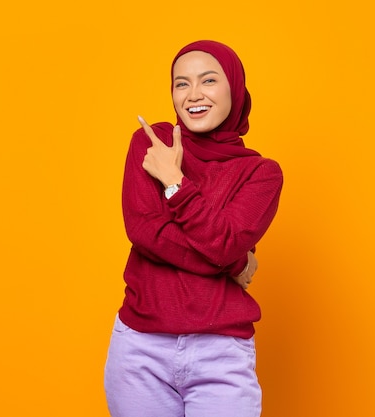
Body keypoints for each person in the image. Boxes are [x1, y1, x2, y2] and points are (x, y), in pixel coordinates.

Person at [104, 40, 283, 417]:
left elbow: (225, 242)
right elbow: (145, 232)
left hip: (220, 352)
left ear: (234, 89)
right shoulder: (151, 143)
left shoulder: (261, 174)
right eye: (181, 83)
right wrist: (234, 265)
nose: (194, 94)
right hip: (141, 347)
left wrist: (173, 180)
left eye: (208, 81)